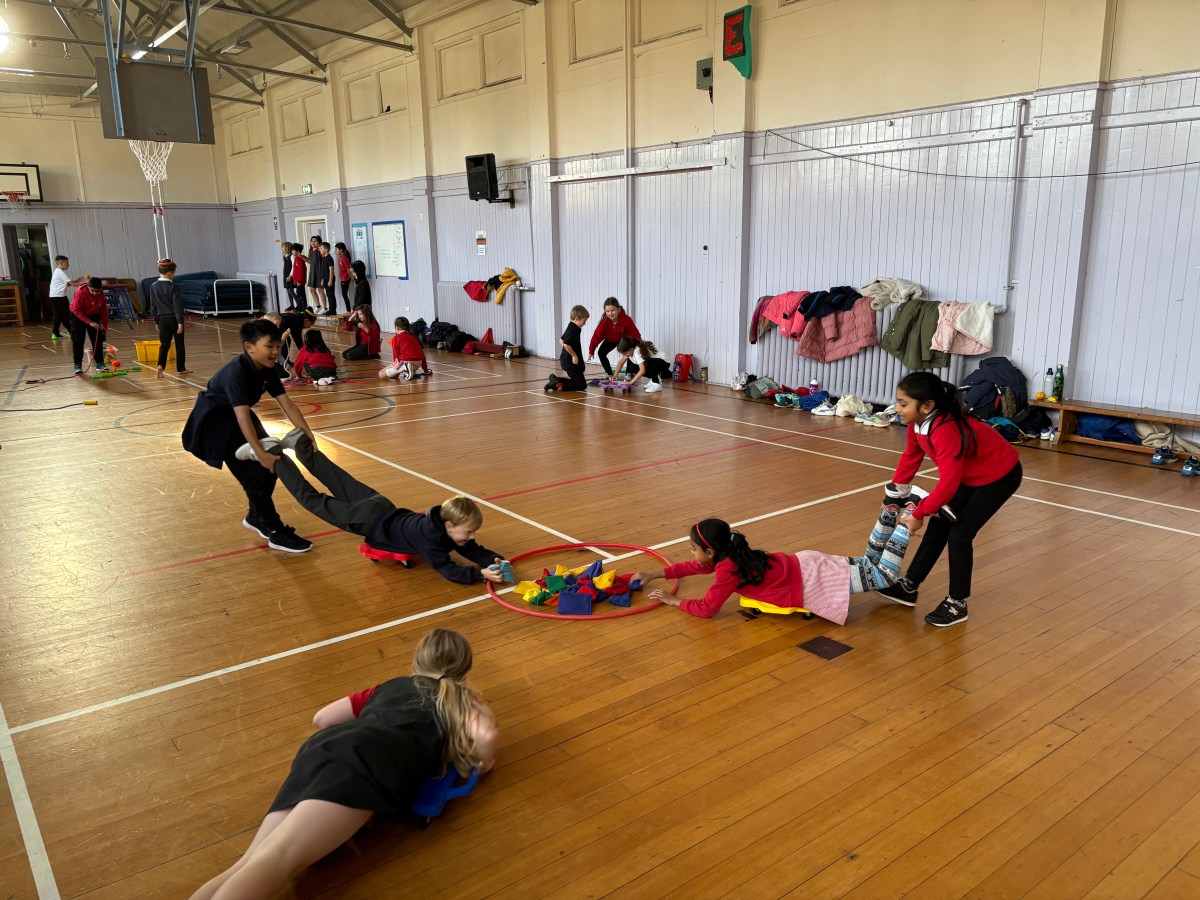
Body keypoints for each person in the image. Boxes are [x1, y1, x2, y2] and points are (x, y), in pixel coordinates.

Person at [189, 627, 499, 900]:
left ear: (418, 660)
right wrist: (484, 761)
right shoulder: (460, 701)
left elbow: (322, 718)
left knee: (248, 861)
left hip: (324, 748)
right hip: (367, 763)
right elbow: (485, 738)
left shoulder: (388, 686)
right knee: (278, 859)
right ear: (464, 671)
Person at [873, 372, 1023, 627]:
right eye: (898, 402)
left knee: (960, 535)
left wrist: (918, 514)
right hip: (970, 475)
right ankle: (909, 586)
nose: (897, 408)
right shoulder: (917, 424)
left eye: (903, 403)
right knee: (940, 524)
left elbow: (948, 485)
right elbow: (911, 457)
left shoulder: (945, 430)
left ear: (927, 406)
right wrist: (894, 497)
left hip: (1000, 476)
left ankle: (957, 603)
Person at [270, 428, 507, 585]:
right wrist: (480, 574)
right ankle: (275, 456)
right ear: (449, 526)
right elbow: (448, 569)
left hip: (381, 504)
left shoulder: (444, 522)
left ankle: (301, 443)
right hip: (368, 520)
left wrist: (491, 559)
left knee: (335, 477)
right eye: (469, 532)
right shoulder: (430, 540)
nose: (472, 536)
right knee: (312, 500)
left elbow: (469, 548)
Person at [633, 503, 914, 625]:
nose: (691, 554)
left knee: (884, 576)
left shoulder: (728, 568)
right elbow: (694, 567)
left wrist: (674, 601)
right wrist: (655, 574)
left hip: (815, 581)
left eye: (693, 549)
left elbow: (707, 609)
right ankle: (889, 513)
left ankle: (905, 524)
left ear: (709, 550)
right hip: (807, 563)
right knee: (869, 563)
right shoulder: (730, 553)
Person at [180, 319, 316, 554]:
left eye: (277, 346)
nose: (275, 351)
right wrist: (260, 454)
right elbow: (242, 418)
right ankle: (275, 531)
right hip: (217, 423)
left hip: (238, 418)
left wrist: (308, 435)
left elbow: (288, 404)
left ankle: (256, 515)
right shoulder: (237, 373)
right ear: (249, 347)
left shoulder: (268, 368)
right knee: (254, 477)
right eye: (269, 346)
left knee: (273, 463)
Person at [146, 257, 191, 378]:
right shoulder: (173, 287)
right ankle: (181, 368)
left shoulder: (153, 286)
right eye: (174, 273)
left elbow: (153, 306)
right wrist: (180, 323)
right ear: (170, 273)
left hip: (162, 320)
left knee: (164, 345)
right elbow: (177, 306)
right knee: (179, 344)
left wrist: (156, 321)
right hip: (174, 319)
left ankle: (160, 366)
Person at [587, 298, 640, 378]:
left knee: (630, 351)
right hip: (611, 339)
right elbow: (596, 336)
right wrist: (591, 350)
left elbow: (635, 334)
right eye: (608, 311)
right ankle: (609, 373)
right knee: (601, 353)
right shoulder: (604, 321)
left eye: (613, 310)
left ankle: (629, 373)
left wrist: (638, 346)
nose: (610, 314)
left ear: (618, 309)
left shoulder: (626, 320)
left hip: (624, 340)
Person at [69, 277, 109, 375]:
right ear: (88, 287)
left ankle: (100, 363)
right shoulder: (80, 293)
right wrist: (90, 322)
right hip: (77, 315)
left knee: (97, 339)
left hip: (93, 314)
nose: (95, 293)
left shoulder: (101, 294)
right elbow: (77, 310)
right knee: (78, 340)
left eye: (97, 291)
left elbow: (103, 310)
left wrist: (104, 325)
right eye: (93, 290)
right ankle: (77, 365)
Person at [545, 305, 589, 392]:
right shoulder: (574, 329)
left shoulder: (571, 326)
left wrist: (567, 351)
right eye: (584, 321)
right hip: (570, 362)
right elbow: (566, 344)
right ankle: (558, 384)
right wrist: (573, 355)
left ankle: (556, 380)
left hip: (566, 360)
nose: (585, 323)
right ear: (577, 319)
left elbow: (561, 340)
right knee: (581, 384)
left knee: (579, 382)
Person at [48, 255, 82, 341]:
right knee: (59, 315)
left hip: (61, 296)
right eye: (67, 263)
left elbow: (67, 284)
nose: (68, 265)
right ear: (61, 263)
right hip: (57, 297)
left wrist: (77, 280)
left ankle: (67, 331)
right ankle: (57, 332)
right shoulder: (60, 272)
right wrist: (86, 285)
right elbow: (73, 284)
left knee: (64, 314)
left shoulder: (58, 272)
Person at [306, 235, 324, 313]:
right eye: (312, 241)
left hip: (320, 272)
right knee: (312, 289)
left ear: (319, 242)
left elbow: (323, 260)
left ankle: (325, 307)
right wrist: (303, 258)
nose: (313, 243)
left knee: (320, 290)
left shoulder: (320, 250)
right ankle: (318, 306)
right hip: (312, 271)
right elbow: (310, 261)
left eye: (315, 241)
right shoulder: (310, 250)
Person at [334, 242, 353, 314]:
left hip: (345, 279)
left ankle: (348, 310)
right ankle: (348, 310)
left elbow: (348, 269)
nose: (336, 251)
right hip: (342, 278)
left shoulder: (344, 258)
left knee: (344, 294)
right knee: (344, 294)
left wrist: (352, 277)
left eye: (337, 249)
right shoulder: (341, 257)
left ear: (341, 250)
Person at [317, 242, 336, 314]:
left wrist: (330, 280)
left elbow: (331, 270)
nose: (320, 250)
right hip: (325, 279)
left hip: (329, 279)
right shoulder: (324, 258)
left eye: (321, 248)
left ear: (326, 249)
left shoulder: (329, 258)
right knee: (328, 295)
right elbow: (323, 271)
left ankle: (332, 310)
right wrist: (322, 279)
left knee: (331, 295)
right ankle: (330, 309)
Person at [289, 244, 308, 311]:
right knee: (298, 294)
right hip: (296, 280)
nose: (292, 251)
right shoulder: (296, 258)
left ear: (297, 251)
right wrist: (295, 279)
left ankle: (304, 308)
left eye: (293, 250)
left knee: (301, 294)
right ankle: (300, 306)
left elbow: (301, 271)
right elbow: (295, 270)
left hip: (300, 281)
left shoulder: (300, 259)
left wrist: (299, 280)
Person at [280, 241, 294, 311]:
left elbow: (293, 267)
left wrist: (290, 276)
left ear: (287, 248)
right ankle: (292, 305)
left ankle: (299, 304)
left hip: (290, 276)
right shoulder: (284, 257)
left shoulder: (291, 256)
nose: (282, 248)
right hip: (285, 275)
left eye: (283, 247)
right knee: (288, 291)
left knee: (291, 290)